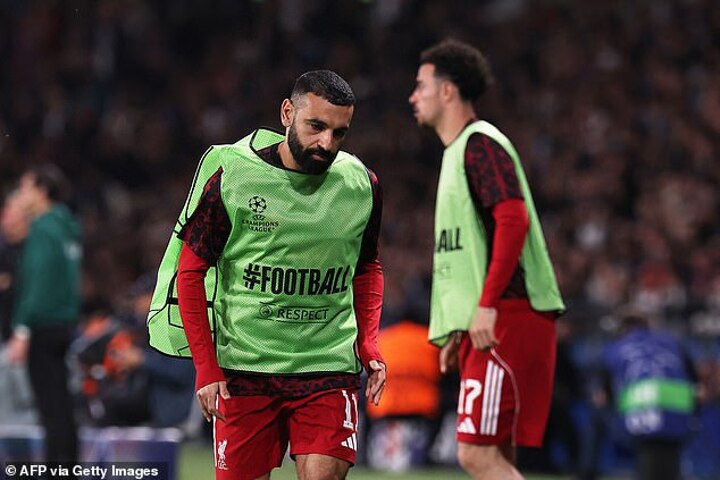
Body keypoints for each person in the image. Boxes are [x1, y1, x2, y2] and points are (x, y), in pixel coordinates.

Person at [147, 70, 386, 480]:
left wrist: (368, 344)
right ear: (287, 113)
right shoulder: (234, 177)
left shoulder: (361, 184)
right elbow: (190, 273)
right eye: (316, 126)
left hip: (326, 366)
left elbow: (367, 267)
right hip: (245, 368)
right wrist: (206, 368)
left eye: (339, 133)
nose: (326, 143)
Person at [409, 39, 565, 479]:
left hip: (506, 317)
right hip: (492, 320)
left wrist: (486, 305)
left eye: (421, 86)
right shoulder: (459, 152)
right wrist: (462, 324)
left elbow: (513, 221)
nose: (412, 96)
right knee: (497, 453)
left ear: (447, 91)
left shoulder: (479, 144)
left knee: (475, 455)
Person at [6, 165, 82, 463]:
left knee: (49, 406)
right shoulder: (67, 226)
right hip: (64, 323)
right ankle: (69, 465)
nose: (21, 194)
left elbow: (37, 280)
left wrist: (22, 328)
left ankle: (56, 468)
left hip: (42, 324)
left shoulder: (42, 228)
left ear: (41, 191)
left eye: (26, 188)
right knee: (62, 403)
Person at [601, 304, 701, 480]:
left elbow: (607, 388)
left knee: (648, 459)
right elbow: (693, 378)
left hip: (640, 409)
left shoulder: (616, 348)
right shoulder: (672, 342)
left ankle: (585, 470)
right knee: (670, 457)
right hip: (679, 406)